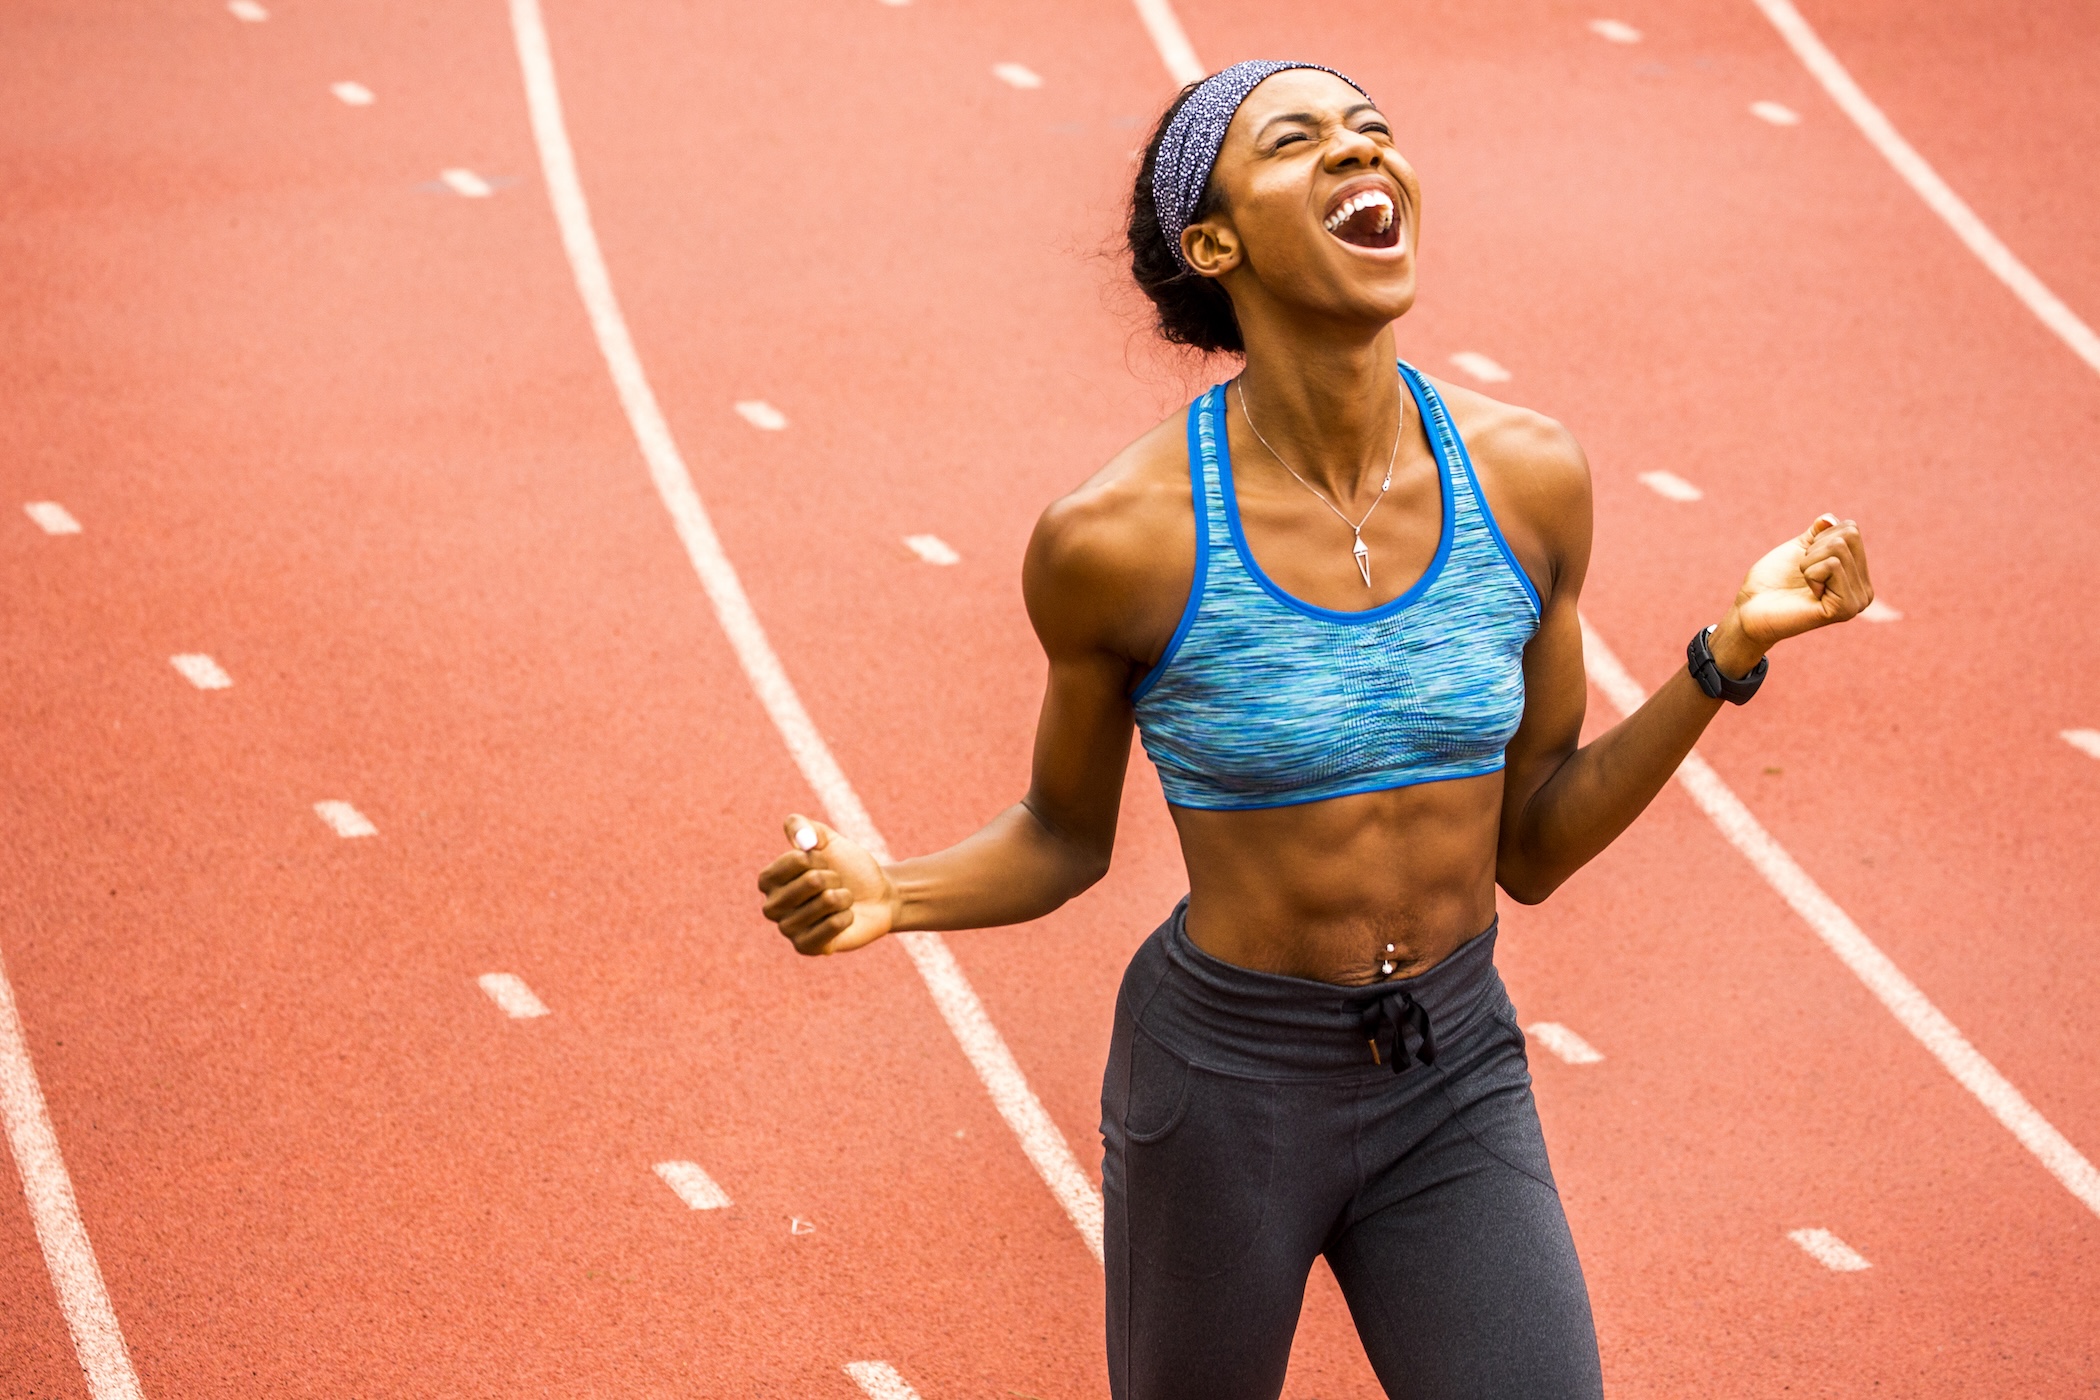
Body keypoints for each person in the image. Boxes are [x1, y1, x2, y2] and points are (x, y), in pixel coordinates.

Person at [756, 59, 1872, 1400]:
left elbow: (1533, 843)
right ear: (1211, 242)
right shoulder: (1122, 541)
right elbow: (1063, 837)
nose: (1361, 157)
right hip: (1226, 1090)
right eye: (1300, 144)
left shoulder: (1527, 480)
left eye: (1375, 133)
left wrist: (1723, 655)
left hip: (1453, 1072)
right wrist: (897, 890)